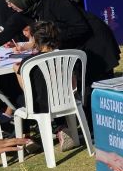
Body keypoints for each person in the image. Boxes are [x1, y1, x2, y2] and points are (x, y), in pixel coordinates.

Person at [0, 0, 120, 105]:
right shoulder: (28, 9)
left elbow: (80, 28)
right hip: (78, 49)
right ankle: (74, 125)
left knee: (93, 91)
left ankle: (93, 128)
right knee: (79, 91)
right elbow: (5, 34)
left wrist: (47, 39)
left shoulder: (55, 3)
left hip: (96, 45)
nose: (9, 5)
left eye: (11, 1)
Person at [13, 21, 80, 152]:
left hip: (40, 105)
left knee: (21, 99)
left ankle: (27, 138)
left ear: (35, 40)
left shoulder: (28, 62)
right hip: (66, 100)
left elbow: (26, 90)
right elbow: (73, 83)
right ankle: (61, 128)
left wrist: (17, 72)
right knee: (53, 94)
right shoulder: (65, 56)